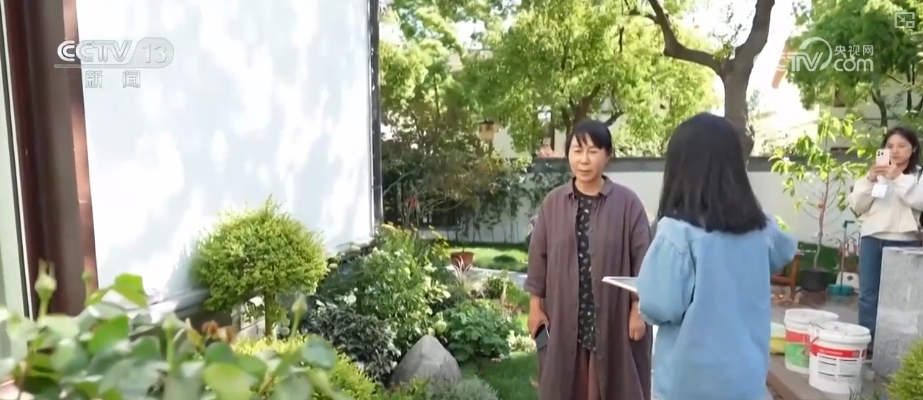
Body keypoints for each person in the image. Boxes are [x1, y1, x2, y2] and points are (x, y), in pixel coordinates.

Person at [635, 113, 797, 400]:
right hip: (747, 381)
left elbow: (660, 306)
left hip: (690, 384)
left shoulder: (677, 231)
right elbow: (785, 250)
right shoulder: (761, 228)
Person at [525, 119, 653, 400]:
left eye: (593, 151)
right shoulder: (553, 203)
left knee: (616, 383)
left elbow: (644, 260)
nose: (584, 160)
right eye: (577, 150)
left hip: (614, 318)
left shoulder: (627, 204)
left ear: (608, 155)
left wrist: (638, 309)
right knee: (565, 382)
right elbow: (538, 258)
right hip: (564, 314)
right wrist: (535, 307)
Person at [846, 126, 923, 352]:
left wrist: (897, 176)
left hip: (904, 242)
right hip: (872, 238)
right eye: (890, 146)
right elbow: (857, 204)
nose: (895, 150)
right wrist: (871, 178)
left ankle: (894, 347)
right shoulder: (876, 175)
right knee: (868, 294)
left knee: (899, 299)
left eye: (901, 146)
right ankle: (868, 344)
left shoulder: (917, 176)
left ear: (913, 149)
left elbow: (919, 201)